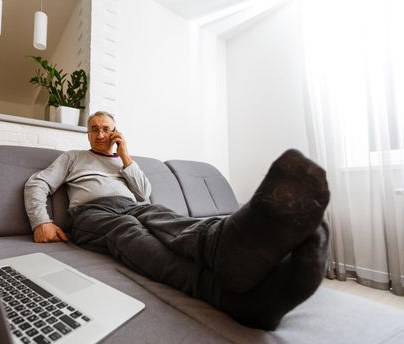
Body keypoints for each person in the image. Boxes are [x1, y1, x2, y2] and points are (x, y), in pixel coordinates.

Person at [24, 111, 330, 330]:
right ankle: (225, 295)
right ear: (87, 133)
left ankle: (222, 247)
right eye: (94, 129)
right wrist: (42, 221)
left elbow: (144, 194)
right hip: (93, 215)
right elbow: (38, 183)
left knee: (168, 220)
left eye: (107, 128)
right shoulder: (73, 157)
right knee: (128, 232)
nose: (101, 134)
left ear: (116, 133)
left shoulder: (124, 162)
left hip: (134, 206)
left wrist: (126, 157)